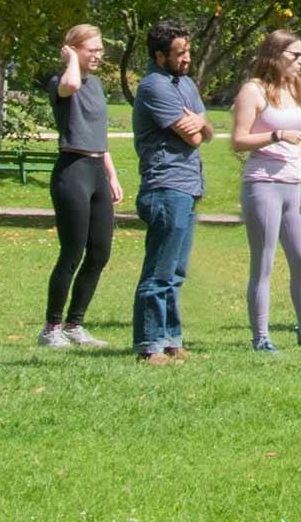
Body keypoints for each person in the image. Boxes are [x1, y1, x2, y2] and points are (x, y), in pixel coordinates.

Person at [232, 29, 301, 351]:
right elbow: (238, 140)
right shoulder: (253, 90)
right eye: (294, 55)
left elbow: (298, 142)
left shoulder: (292, 88)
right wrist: (276, 136)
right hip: (263, 184)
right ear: (275, 55)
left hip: (292, 185)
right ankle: (261, 337)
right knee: (265, 262)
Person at [131, 20, 213, 365]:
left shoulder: (186, 83)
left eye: (188, 51)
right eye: (179, 53)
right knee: (159, 271)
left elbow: (207, 129)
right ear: (159, 55)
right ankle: (149, 345)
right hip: (165, 185)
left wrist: (199, 121)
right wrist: (198, 124)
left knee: (176, 271)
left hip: (189, 185)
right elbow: (193, 136)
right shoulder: (153, 86)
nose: (187, 58)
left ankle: (171, 340)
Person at [39, 24, 123, 347]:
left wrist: (111, 175)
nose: (99, 54)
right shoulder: (61, 83)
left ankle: (75, 324)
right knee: (72, 252)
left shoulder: (98, 84)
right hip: (71, 171)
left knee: (100, 252)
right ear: (73, 50)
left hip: (96, 169)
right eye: (92, 49)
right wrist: (71, 58)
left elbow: (99, 135)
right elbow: (71, 82)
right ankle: (51, 328)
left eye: (101, 48)